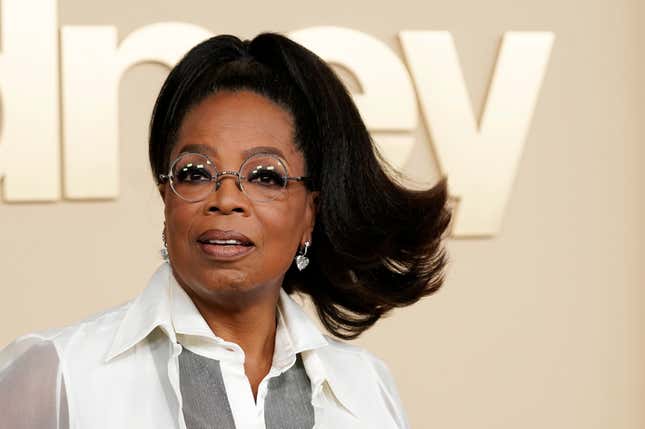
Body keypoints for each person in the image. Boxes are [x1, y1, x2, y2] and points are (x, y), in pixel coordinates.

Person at [0, 32, 451, 428]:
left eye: (265, 176)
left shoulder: (365, 388)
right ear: (166, 198)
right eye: (196, 172)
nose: (226, 197)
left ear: (310, 214)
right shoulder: (57, 372)